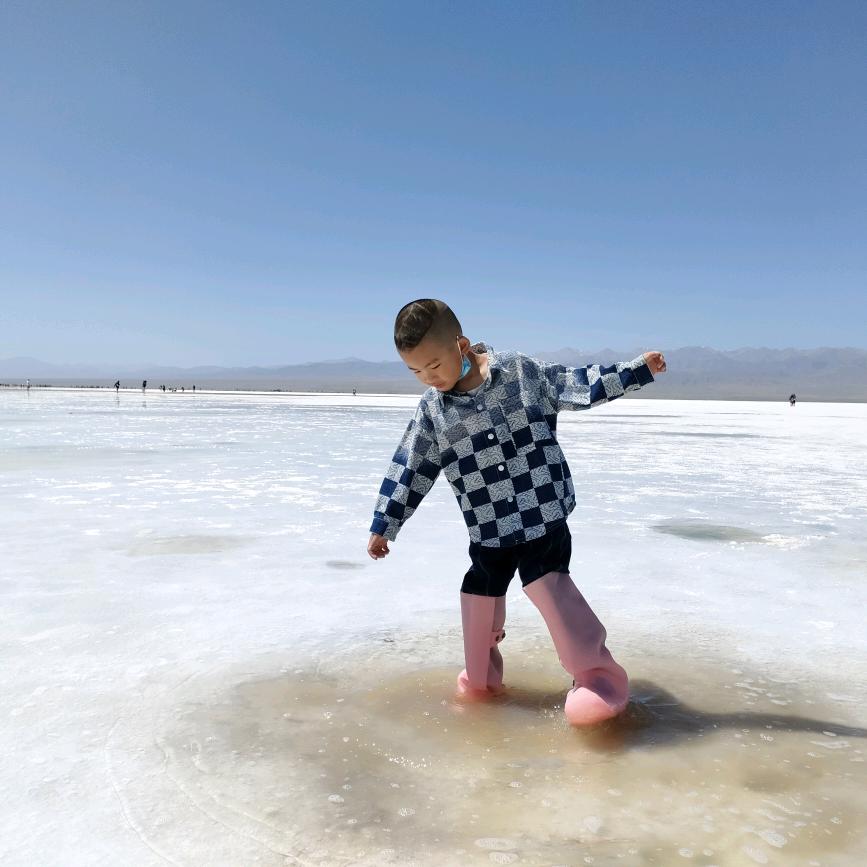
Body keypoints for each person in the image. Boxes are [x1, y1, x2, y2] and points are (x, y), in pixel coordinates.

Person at [366, 299, 667, 727]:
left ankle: (598, 679)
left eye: (434, 365)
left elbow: (577, 384)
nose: (429, 378)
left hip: (541, 515)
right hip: (488, 528)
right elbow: (410, 467)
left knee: (548, 584)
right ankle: (480, 679)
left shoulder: (520, 374)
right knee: (478, 592)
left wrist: (637, 370)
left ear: (462, 345)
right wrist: (385, 525)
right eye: (417, 372)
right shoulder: (433, 411)